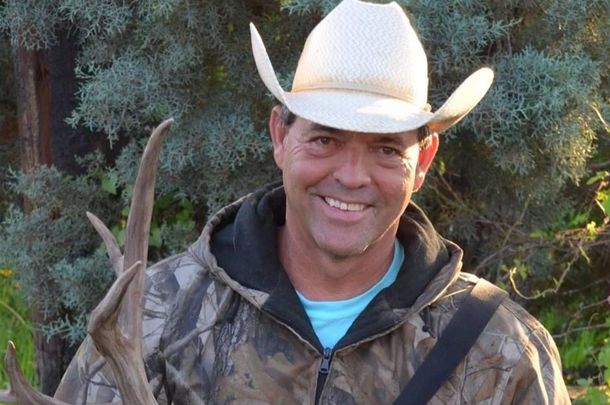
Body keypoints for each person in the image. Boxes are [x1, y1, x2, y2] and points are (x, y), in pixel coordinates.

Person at [54, 0, 570, 403]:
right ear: (281, 136)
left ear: (424, 160)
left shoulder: (499, 349)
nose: (351, 176)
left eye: (386, 149)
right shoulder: (154, 317)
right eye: (325, 139)